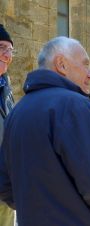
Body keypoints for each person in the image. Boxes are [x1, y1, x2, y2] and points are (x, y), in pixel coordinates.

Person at [0, 36, 90, 226]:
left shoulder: (17, 111)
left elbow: (5, 185)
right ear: (61, 64)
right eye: (86, 65)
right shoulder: (74, 105)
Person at [0, 24, 15, 226]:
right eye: (2, 47)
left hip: (5, 186)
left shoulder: (5, 87)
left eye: (10, 50)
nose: (7, 55)